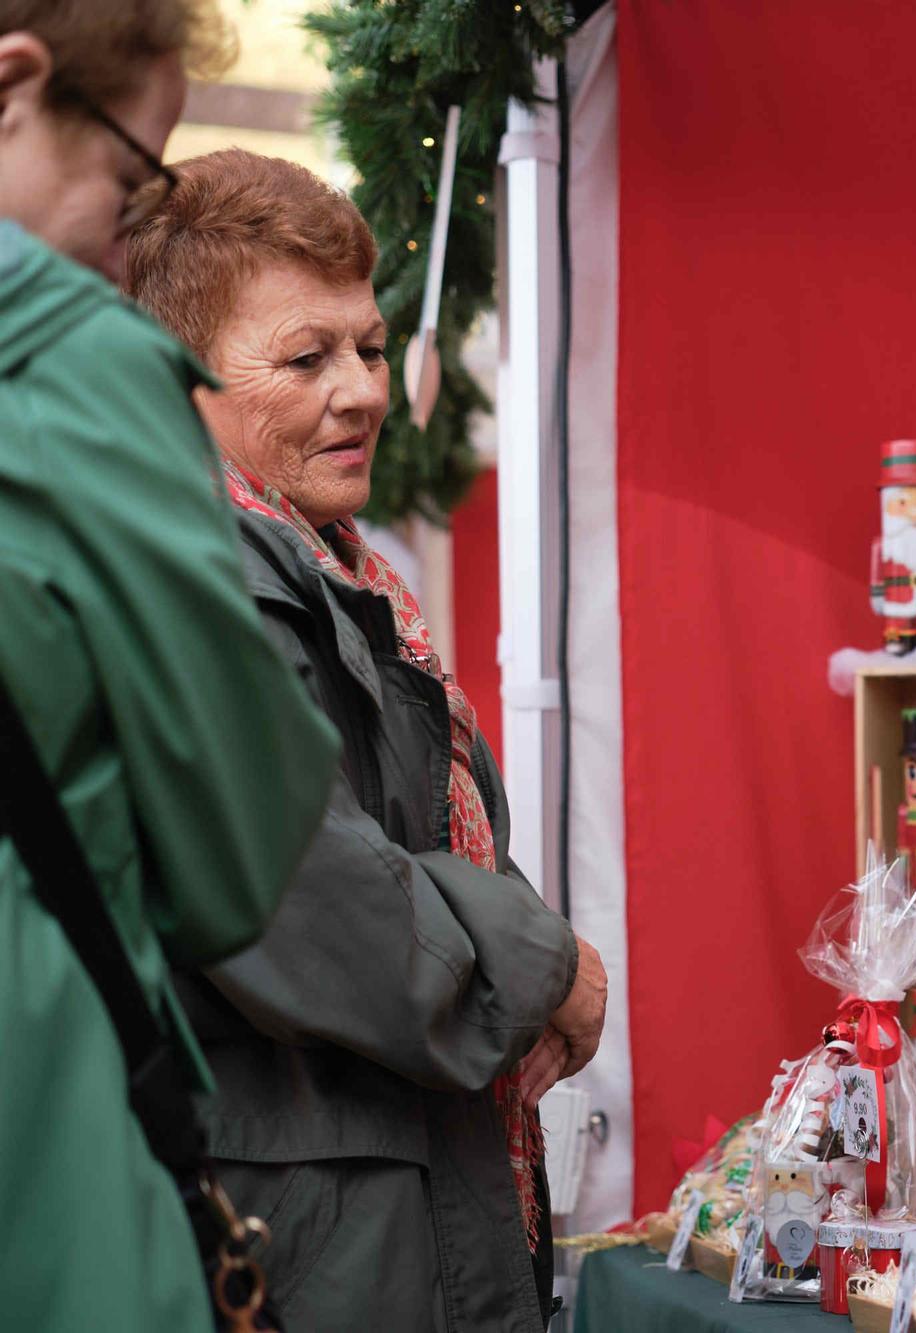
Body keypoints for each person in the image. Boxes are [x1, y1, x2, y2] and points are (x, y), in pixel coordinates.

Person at [126, 149, 608, 1332]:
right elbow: (314, 894)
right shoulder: (203, 582)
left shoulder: (349, 577)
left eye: (371, 347)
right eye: (306, 357)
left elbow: (418, 846)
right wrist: (548, 963)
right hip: (308, 1250)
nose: (362, 390)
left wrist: (522, 947)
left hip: (389, 1215)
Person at [0, 3, 342, 1328]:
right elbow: (237, 857)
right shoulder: (76, 367)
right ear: (15, 86)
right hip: (48, 1160)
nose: (128, 236)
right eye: (135, 173)